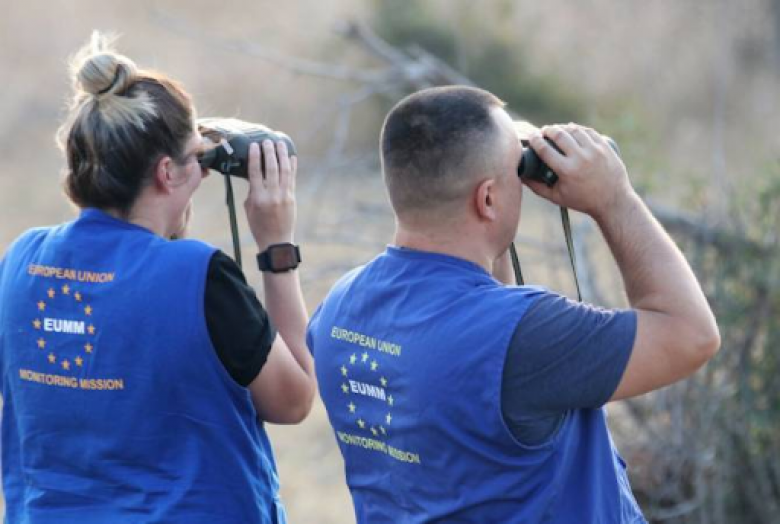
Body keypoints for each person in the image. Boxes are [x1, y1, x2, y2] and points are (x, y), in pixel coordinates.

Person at [306, 86, 720, 523]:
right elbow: (690, 334)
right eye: (515, 171)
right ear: (487, 199)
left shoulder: (338, 309)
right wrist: (614, 198)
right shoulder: (526, 336)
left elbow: (471, 339)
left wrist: (496, 161)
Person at [0, 33, 315, 523]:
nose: (204, 173)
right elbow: (293, 400)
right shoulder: (199, 276)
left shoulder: (20, 262)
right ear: (166, 172)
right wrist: (277, 247)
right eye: (197, 158)